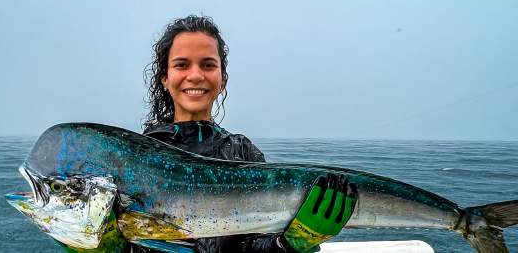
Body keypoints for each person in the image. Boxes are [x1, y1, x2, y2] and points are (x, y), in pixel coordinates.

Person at [60, 15, 357, 253]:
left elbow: (253, 246)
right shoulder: (136, 155)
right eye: (181, 65)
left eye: (208, 65)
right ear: (165, 78)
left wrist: (291, 243)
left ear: (222, 79)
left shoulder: (244, 153)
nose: (195, 75)